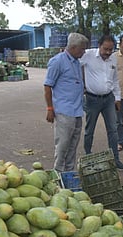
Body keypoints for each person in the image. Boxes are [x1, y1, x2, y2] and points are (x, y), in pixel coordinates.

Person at [80, 34, 123, 171]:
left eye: (110, 50)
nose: (108, 53)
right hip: (92, 99)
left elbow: (114, 80)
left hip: (109, 99)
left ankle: (115, 160)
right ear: (99, 46)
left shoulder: (113, 59)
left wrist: (118, 98)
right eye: (105, 49)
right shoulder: (88, 55)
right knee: (89, 130)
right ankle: (88, 157)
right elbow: (74, 64)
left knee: (113, 130)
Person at [44, 32, 89, 172]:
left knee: (73, 146)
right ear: (74, 47)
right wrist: (50, 108)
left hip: (77, 111)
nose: (84, 51)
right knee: (62, 146)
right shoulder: (57, 61)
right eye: (82, 48)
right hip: (64, 111)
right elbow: (47, 86)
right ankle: (57, 175)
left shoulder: (76, 62)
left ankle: (69, 173)